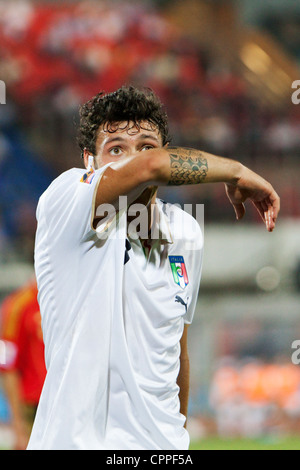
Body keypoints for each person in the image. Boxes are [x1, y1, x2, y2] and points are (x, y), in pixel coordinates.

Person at [27, 86, 280, 450]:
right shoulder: (69, 200)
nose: (133, 159)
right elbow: (151, 168)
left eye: (146, 145)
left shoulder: (185, 231)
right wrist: (236, 172)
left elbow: (177, 350)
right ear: (90, 162)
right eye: (116, 148)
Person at [0, 280, 47, 449]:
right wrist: (19, 428)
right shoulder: (18, 305)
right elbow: (7, 366)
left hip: (69, 402)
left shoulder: (68, 299)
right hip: (33, 409)